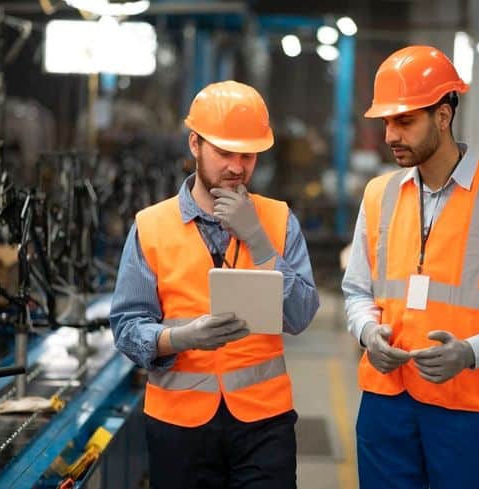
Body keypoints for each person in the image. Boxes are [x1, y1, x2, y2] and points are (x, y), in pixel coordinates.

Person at [342, 45, 479, 488]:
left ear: (443, 115)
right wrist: (367, 333)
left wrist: (469, 353)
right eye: (387, 122)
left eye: (405, 121)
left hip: (466, 409)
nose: (390, 136)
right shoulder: (378, 195)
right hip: (385, 404)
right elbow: (357, 291)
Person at [110, 80, 320, 489]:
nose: (237, 167)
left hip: (264, 425)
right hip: (179, 428)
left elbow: (299, 316)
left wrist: (259, 242)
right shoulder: (151, 227)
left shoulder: (278, 221)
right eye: (225, 152)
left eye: (248, 155)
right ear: (195, 145)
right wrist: (180, 337)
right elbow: (127, 327)